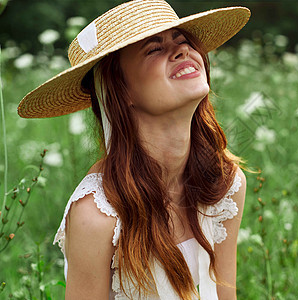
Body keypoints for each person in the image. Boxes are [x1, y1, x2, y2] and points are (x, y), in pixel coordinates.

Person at [17, 0, 251, 299]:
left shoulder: (225, 183)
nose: (182, 51)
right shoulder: (98, 214)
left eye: (183, 40)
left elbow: (225, 295)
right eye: (154, 49)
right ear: (121, 91)